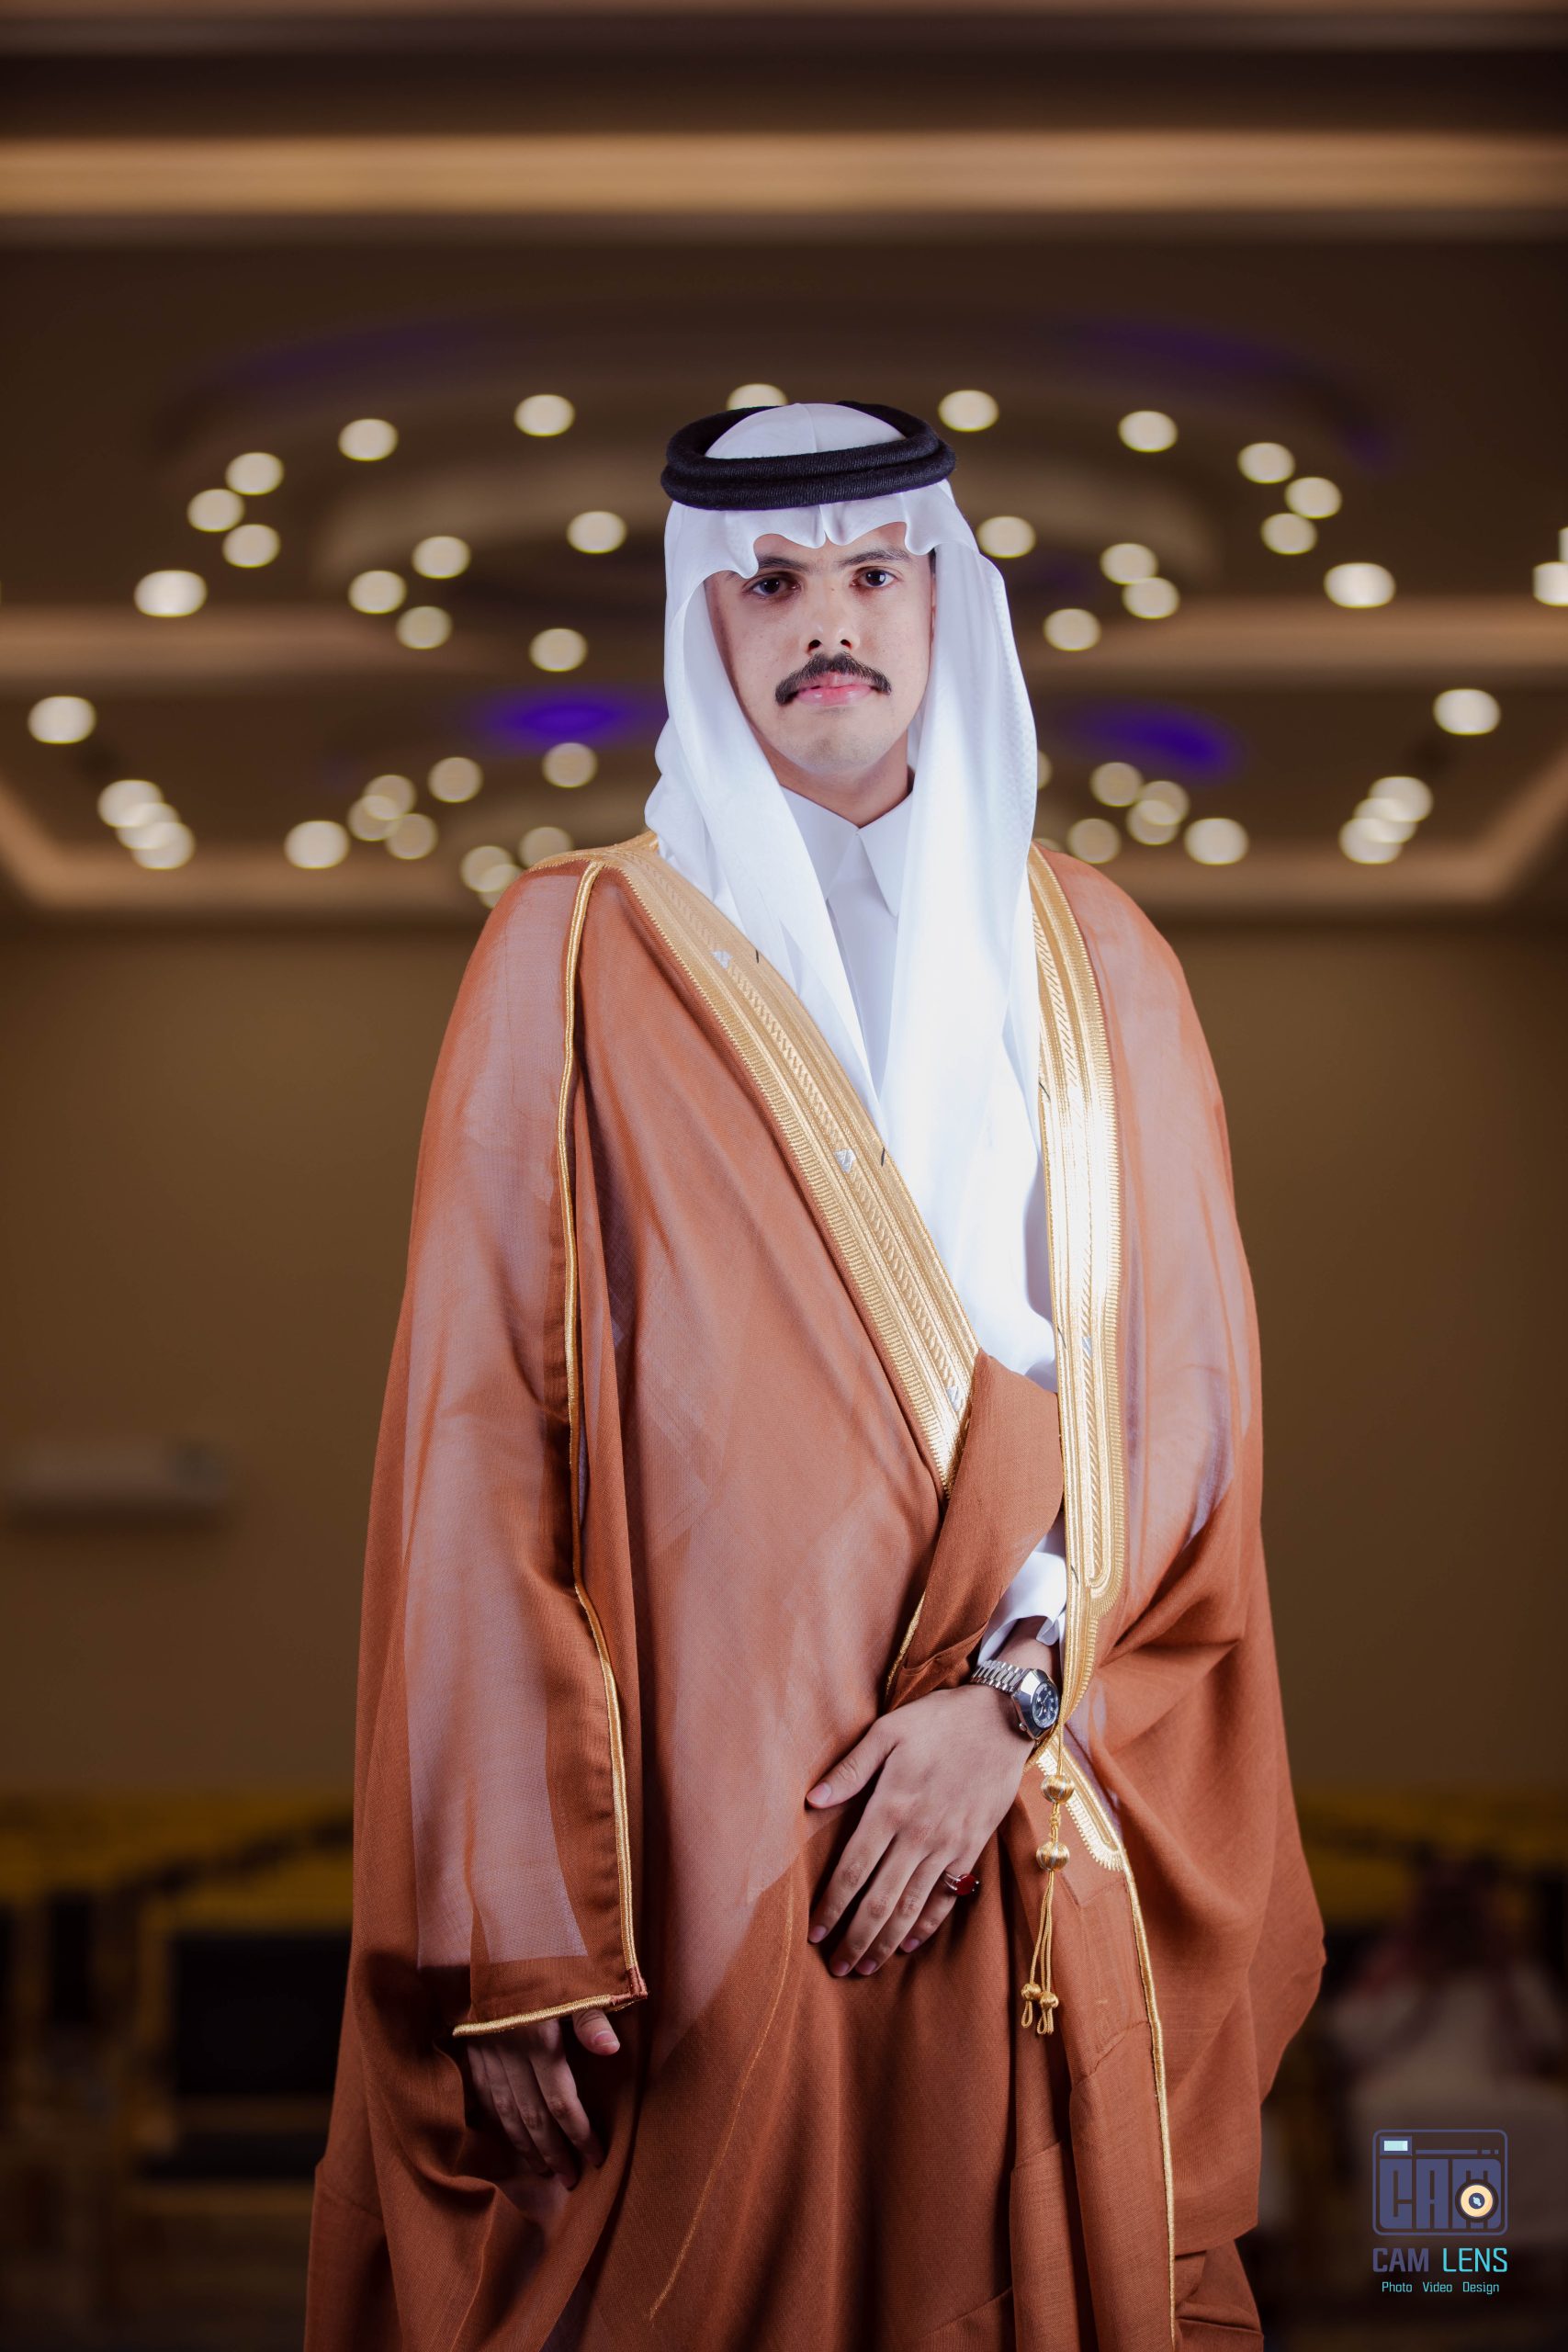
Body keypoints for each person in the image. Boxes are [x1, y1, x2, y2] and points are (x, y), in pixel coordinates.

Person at [304, 401, 1325, 2351]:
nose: (826, 619)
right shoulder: (572, 948)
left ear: (945, 605)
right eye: (768, 582)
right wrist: (519, 1922)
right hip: (691, 1832)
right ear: (702, 621)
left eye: (871, 572)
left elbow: (1179, 1420)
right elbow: (479, 1440)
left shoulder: (1100, 958)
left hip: (1020, 1793)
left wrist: (1009, 1708)